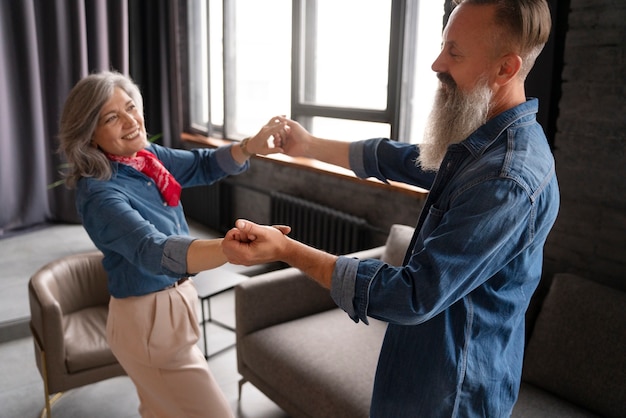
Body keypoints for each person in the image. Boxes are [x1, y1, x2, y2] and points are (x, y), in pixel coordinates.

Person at [222, 0, 559, 416]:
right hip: (418, 370)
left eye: (454, 52)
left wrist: (287, 250)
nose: (437, 63)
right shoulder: (485, 143)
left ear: (505, 69)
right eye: (441, 46)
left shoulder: (505, 178)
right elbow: (406, 159)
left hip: (450, 395)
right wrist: (308, 146)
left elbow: (411, 296)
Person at [58, 70, 287, 418]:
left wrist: (248, 146)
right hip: (148, 320)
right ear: (90, 135)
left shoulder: (145, 159)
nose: (130, 121)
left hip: (169, 308)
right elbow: (153, 250)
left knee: (160, 410)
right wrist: (226, 249)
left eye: (131, 107)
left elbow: (202, 165)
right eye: (111, 118)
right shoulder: (100, 193)